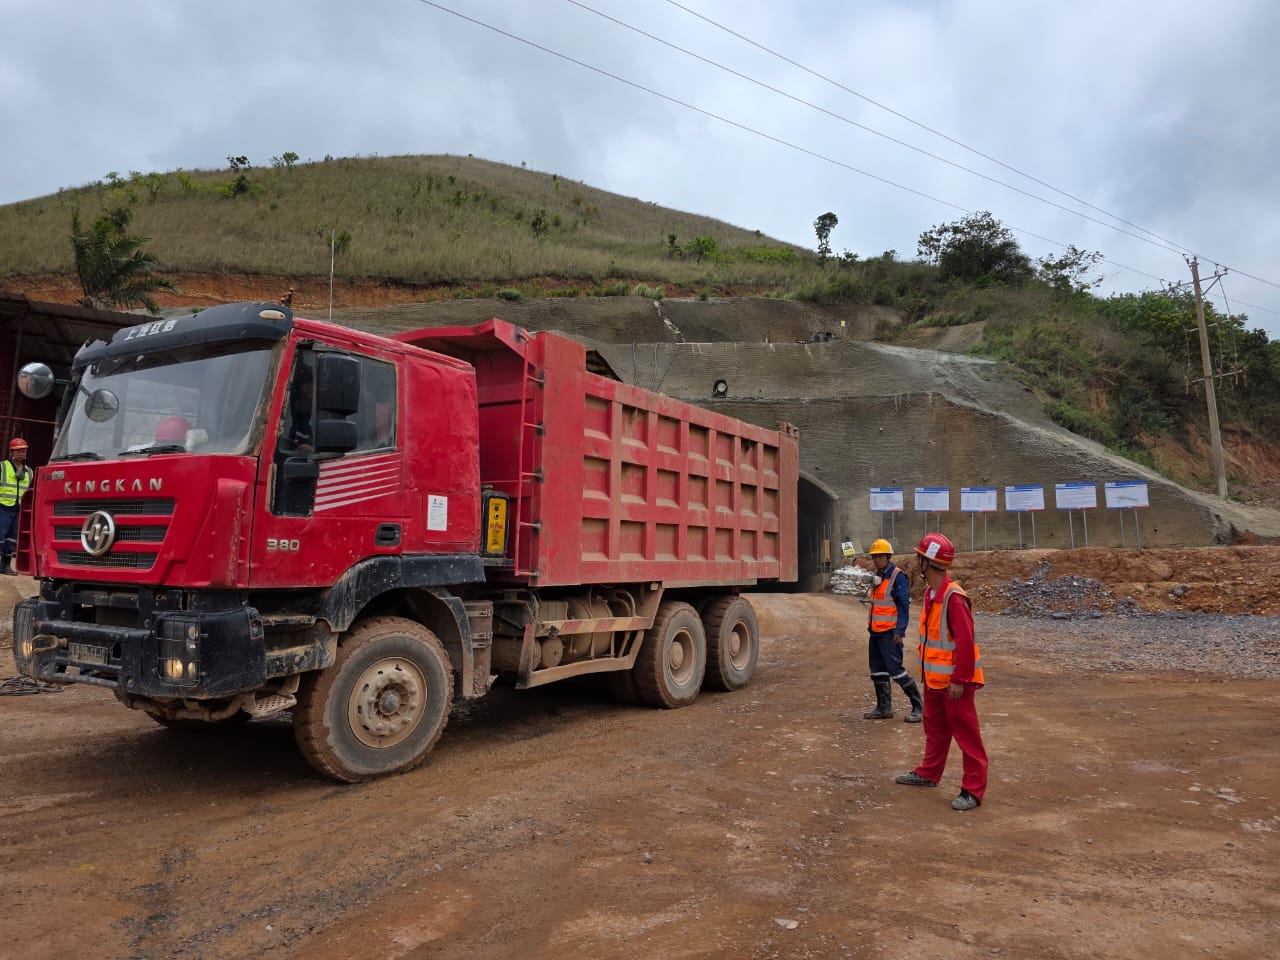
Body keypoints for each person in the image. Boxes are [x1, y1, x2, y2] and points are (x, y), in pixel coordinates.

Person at [894, 532, 988, 811]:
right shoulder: (931, 594)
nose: (916, 561)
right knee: (934, 729)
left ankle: (973, 789)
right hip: (935, 680)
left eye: (919, 557)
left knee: (966, 735)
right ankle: (929, 772)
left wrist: (960, 679)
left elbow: (966, 643)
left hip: (955, 683)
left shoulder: (954, 598)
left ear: (927, 562)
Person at [861, 538, 923, 723]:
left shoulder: (898, 577)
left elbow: (903, 607)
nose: (877, 560)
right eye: (875, 557)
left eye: (880, 556)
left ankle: (918, 707)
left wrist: (900, 631)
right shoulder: (877, 576)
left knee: (895, 670)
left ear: (888, 557)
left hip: (890, 633)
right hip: (875, 631)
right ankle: (883, 708)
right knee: (877, 670)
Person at [1, 437, 33, 575]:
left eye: (23, 451)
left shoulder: (29, 472)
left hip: (18, 508)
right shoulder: (2, 467)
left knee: (11, 539)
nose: (21, 453)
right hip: (2, 507)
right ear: (12, 452)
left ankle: (5, 566)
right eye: (18, 451)